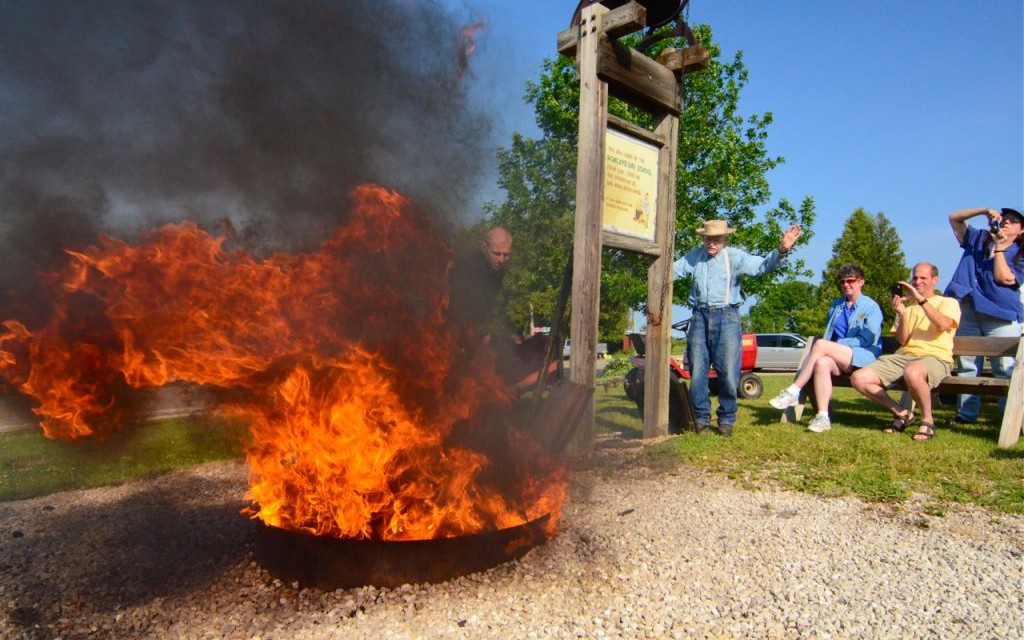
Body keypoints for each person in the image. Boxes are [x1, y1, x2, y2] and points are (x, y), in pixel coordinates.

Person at [674, 219, 802, 436]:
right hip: (699, 317)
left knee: (729, 373)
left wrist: (782, 249)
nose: (711, 243)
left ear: (724, 239)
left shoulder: (734, 257)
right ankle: (701, 419)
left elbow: (761, 266)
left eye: (716, 239)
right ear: (703, 238)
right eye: (708, 239)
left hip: (727, 317)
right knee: (697, 372)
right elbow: (670, 271)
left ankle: (726, 419)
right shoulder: (694, 257)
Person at [849, 263, 961, 441]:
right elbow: (903, 341)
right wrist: (901, 314)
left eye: (923, 278)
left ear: (935, 280)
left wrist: (921, 300)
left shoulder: (948, 302)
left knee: (913, 372)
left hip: (935, 357)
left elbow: (943, 325)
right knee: (859, 378)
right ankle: (903, 413)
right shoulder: (908, 308)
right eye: (915, 278)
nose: (917, 281)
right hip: (904, 356)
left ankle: (927, 421)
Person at [768, 263, 883, 433]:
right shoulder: (836, 305)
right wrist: (833, 347)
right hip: (840, 357)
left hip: (864, 356)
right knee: (822, 363)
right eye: (842, 282)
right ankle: (823, 417)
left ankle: (794, 390)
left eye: (850, 280)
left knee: (821, 344)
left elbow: (868, 339)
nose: (846, 285)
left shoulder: (871, 307)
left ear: (861, 282)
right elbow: (830, 332)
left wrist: (837, 345)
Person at [943, 206, 1024, 425]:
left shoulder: (1020, 253)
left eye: (1013, 220)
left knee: (1004, 368)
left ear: (1022, 230)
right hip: (967, 308)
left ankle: (1008, 418)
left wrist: (999, 247)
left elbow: (1004, 279)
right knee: (968, 366)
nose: (1006, 221)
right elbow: (954, 217)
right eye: (1004, 218)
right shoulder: (978, 238)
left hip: (1000, 314)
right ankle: (966, 415)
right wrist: (983, 211)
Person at [448, 226, 513, 339]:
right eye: (496, 254)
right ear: (484, 248)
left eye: (506, 255)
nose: (501, 260)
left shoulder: (498, 271)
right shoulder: (467, 269)